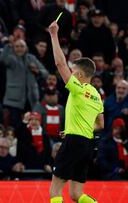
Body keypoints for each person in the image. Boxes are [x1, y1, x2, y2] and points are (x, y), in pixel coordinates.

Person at [48, 20, 104, 203]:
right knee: (76, 195)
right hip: (87, 144)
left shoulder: (78, 88)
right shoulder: (96, 95)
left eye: (73, 72)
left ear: (80, 76)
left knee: (55, 190)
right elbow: (100, 124)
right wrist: (76, 127)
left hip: (73, 142)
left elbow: (59, 64)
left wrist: (54, 35)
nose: (70, 74)